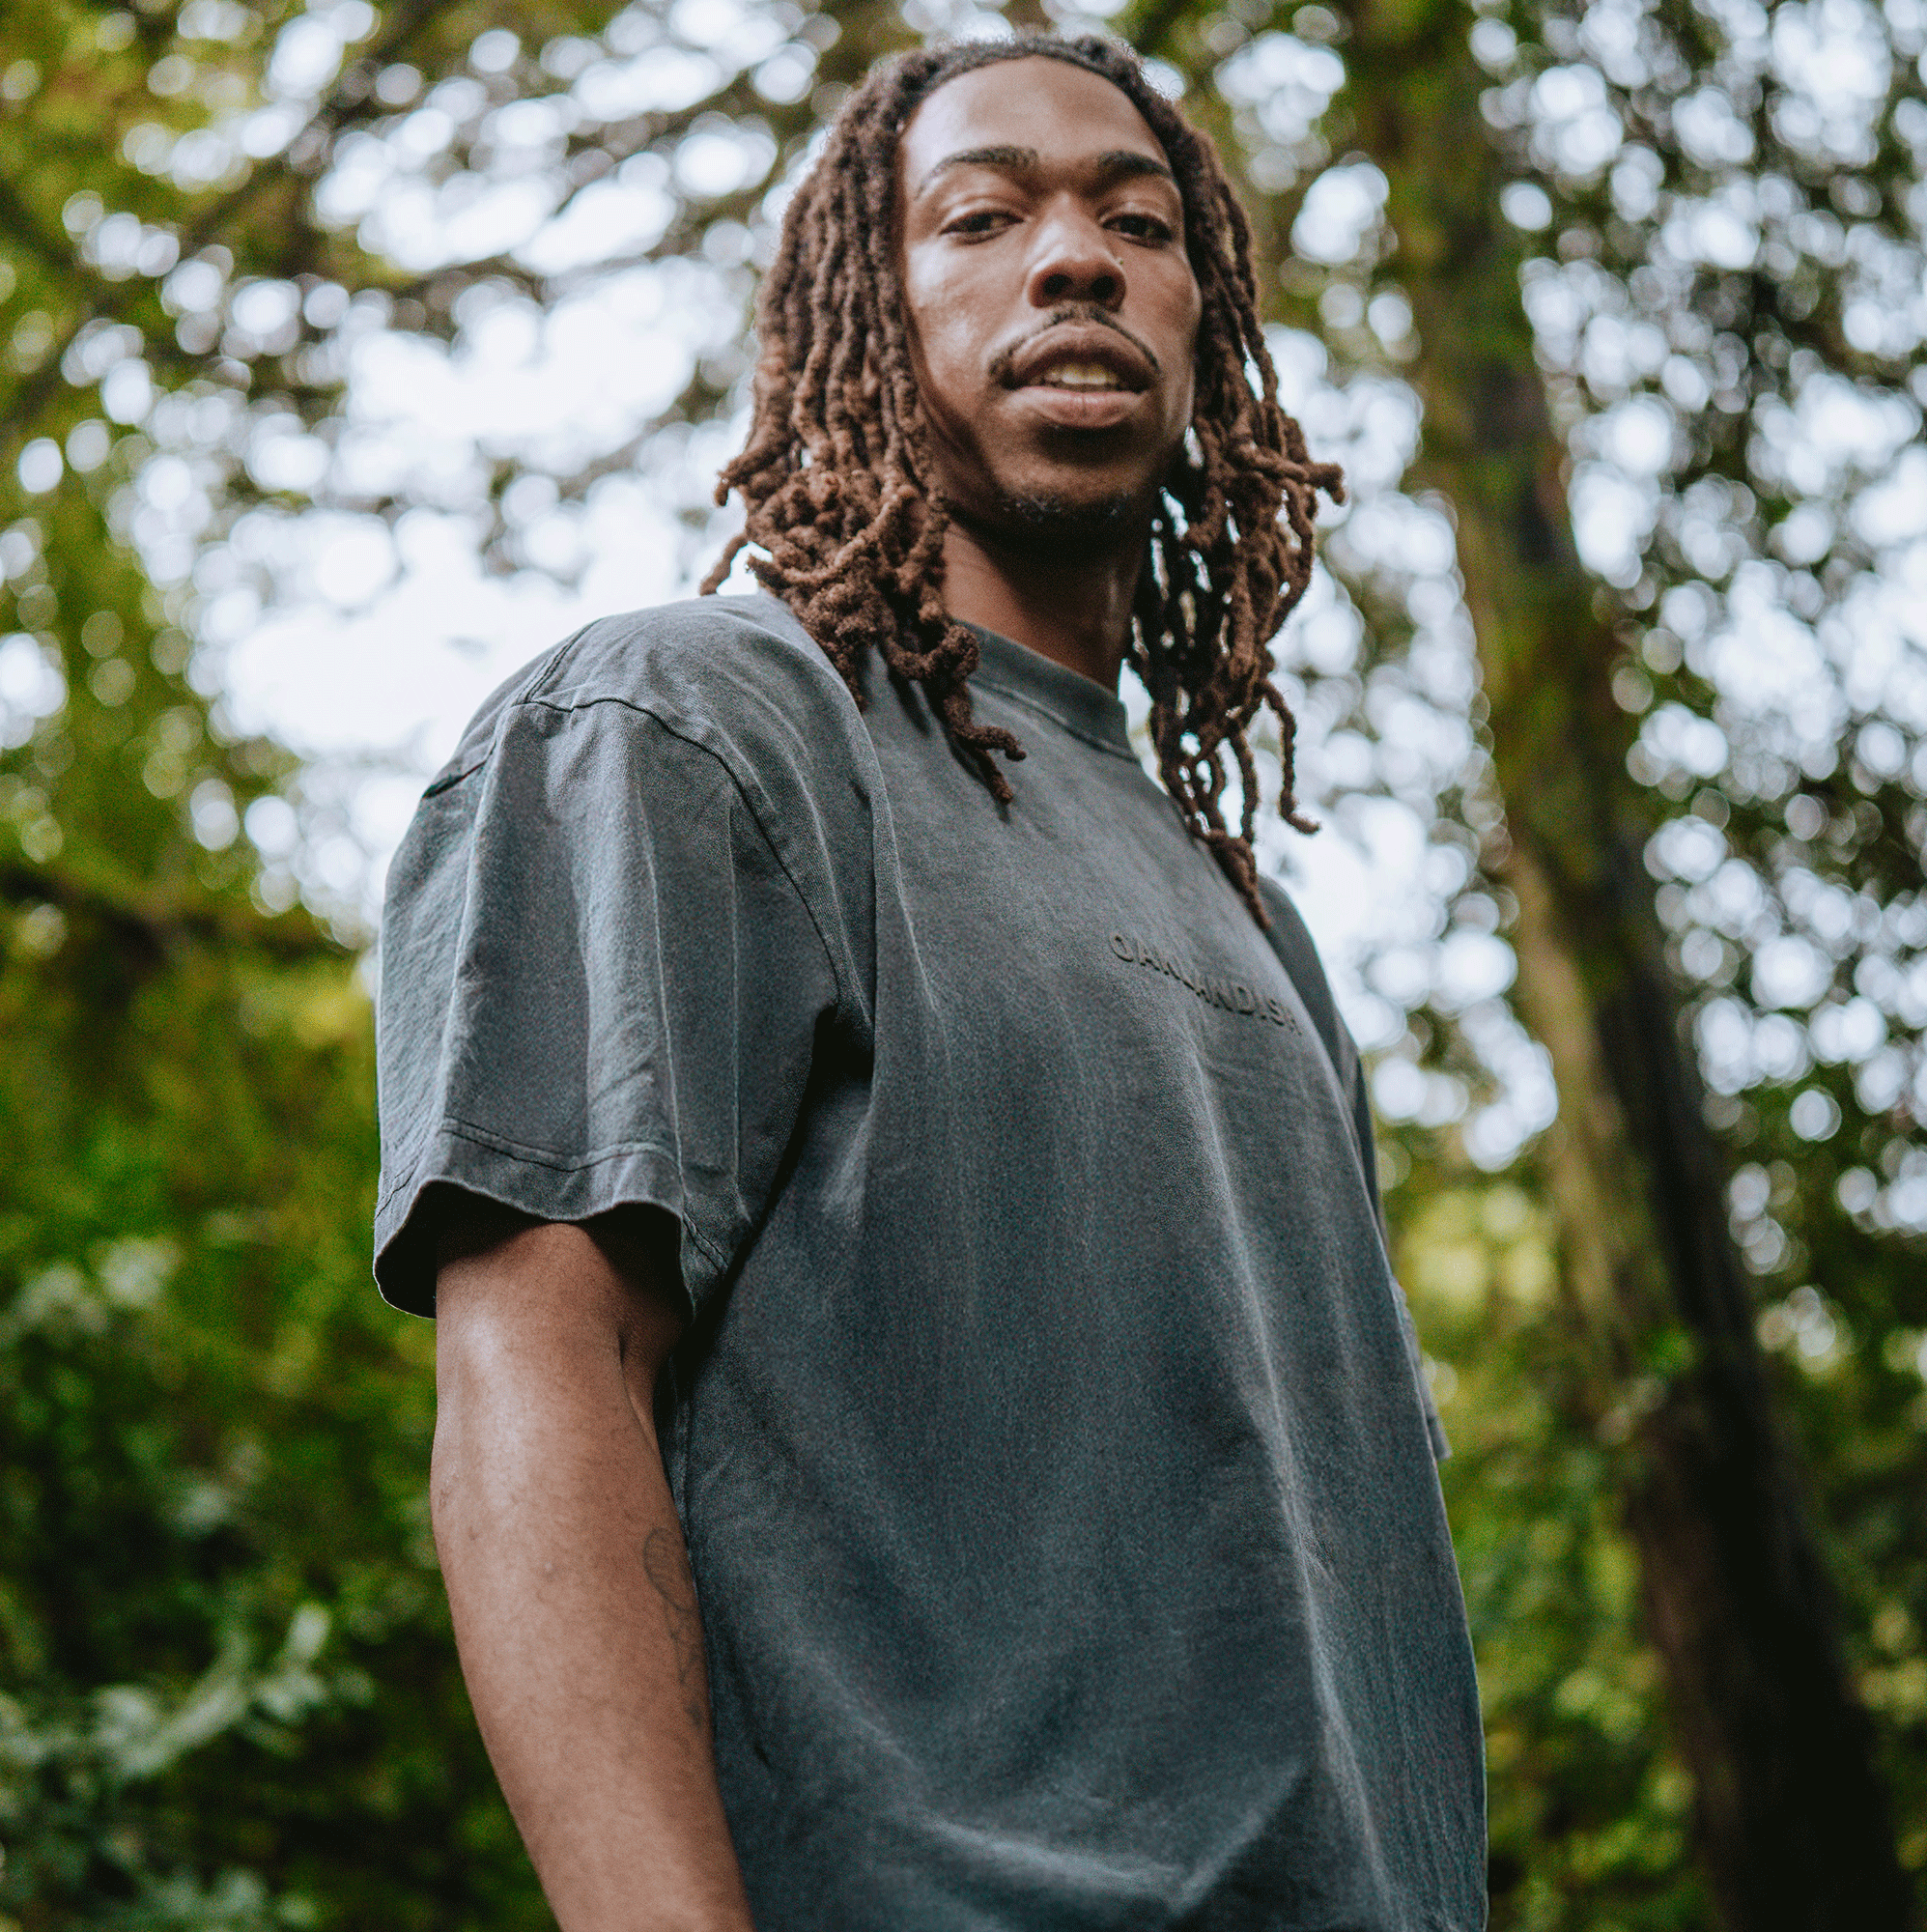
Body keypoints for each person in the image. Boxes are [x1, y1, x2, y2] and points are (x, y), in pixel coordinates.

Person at [374, 33, 1485, 1932]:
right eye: (983, 214)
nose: (1077, 259)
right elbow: (540, 1365)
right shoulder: (694, 725)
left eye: (1139, 223)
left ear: (1204, 326)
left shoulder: (1259, 931)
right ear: (858, 322)